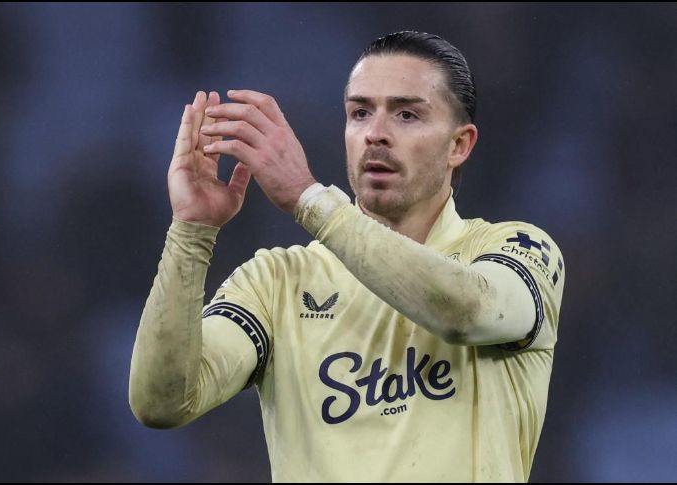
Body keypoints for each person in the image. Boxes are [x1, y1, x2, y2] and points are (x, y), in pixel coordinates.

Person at [129, 31, 565, 482]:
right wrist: (192, 231)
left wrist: (308, 198)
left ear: (460, 145)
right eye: (359, 113)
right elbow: (162, 402)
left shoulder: (516, 250)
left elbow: (465, 310)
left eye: (407, 114)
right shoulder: (277, 282)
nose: (375, 134)